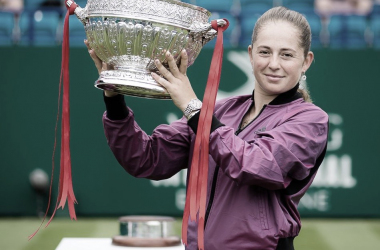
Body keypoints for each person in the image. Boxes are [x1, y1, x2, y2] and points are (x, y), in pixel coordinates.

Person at [85, 6, 329, 250]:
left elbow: (255, 165)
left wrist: (194, 109)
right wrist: (114, 97)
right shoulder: (220, 111)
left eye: (286, 55)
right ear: (251, 55)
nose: (273, 64)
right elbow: (145, 159)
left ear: (306, 61)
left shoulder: (310, 120)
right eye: (265, 52)